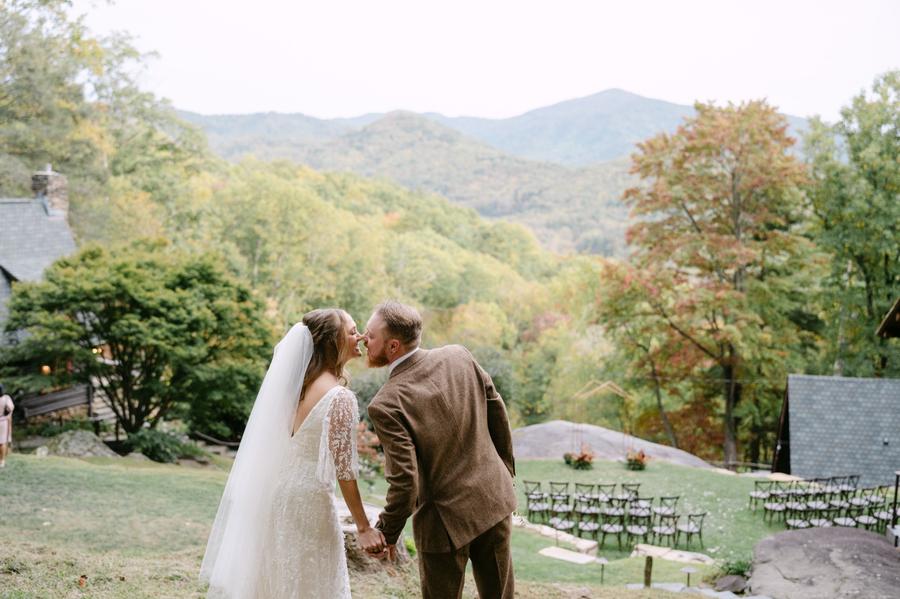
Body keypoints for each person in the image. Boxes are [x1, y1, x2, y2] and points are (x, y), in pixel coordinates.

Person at [200, 308, 385, 598]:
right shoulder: (339, 397)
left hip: (277, 495)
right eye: (351, 331)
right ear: (332, 341)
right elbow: (345, 469)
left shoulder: (293, 388)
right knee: (313, 580)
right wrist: (363, 527)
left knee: (278, 576)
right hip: (309, 501)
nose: (359, 336)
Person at [363, 300, 517, 599]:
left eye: (370, 335)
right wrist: (504, 470)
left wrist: (388, 533)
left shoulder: (386, 403)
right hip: (493, 499)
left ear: (393, 346)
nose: (363, 341)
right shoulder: (458, 355)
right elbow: (497, 409)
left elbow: (405, 482)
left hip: (444, 524)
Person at [0, 384, 13, 468]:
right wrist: (7, 415)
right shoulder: (6, 398)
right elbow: (11, 408)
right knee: (2, 442)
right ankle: (2, 461)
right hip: (3, 421)